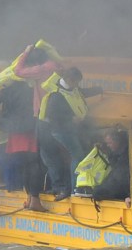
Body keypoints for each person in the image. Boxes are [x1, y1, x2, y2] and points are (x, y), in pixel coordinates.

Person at [41, 66, 103, 199]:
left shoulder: (71, 89)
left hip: (69, 130)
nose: (77, 85)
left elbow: (82, 93)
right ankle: (76, 186)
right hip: (60, 130)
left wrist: (98, 89)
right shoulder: (56, 93)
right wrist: (71, 118)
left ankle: (75, 186)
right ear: (69, 79)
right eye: (76, 81)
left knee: (78, 155)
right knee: (78, 156)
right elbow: (52, 114)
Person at [0, 79, 46, 211]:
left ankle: (29, 198)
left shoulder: (7, 91)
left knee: (25, 165)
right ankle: (34, 200)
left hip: (14, 131)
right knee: (35, 164)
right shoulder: (31, 90)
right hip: (29, 130)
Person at [74, 129, 132, 207]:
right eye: (106, 143)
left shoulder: (125, 155)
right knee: (98, 190)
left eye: (109, 143)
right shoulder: (118, 152)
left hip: (124, 189)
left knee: (97, 192)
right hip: (118, 184)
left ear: (117, 141)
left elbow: (123, 178)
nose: (108, 145)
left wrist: (128, 195)